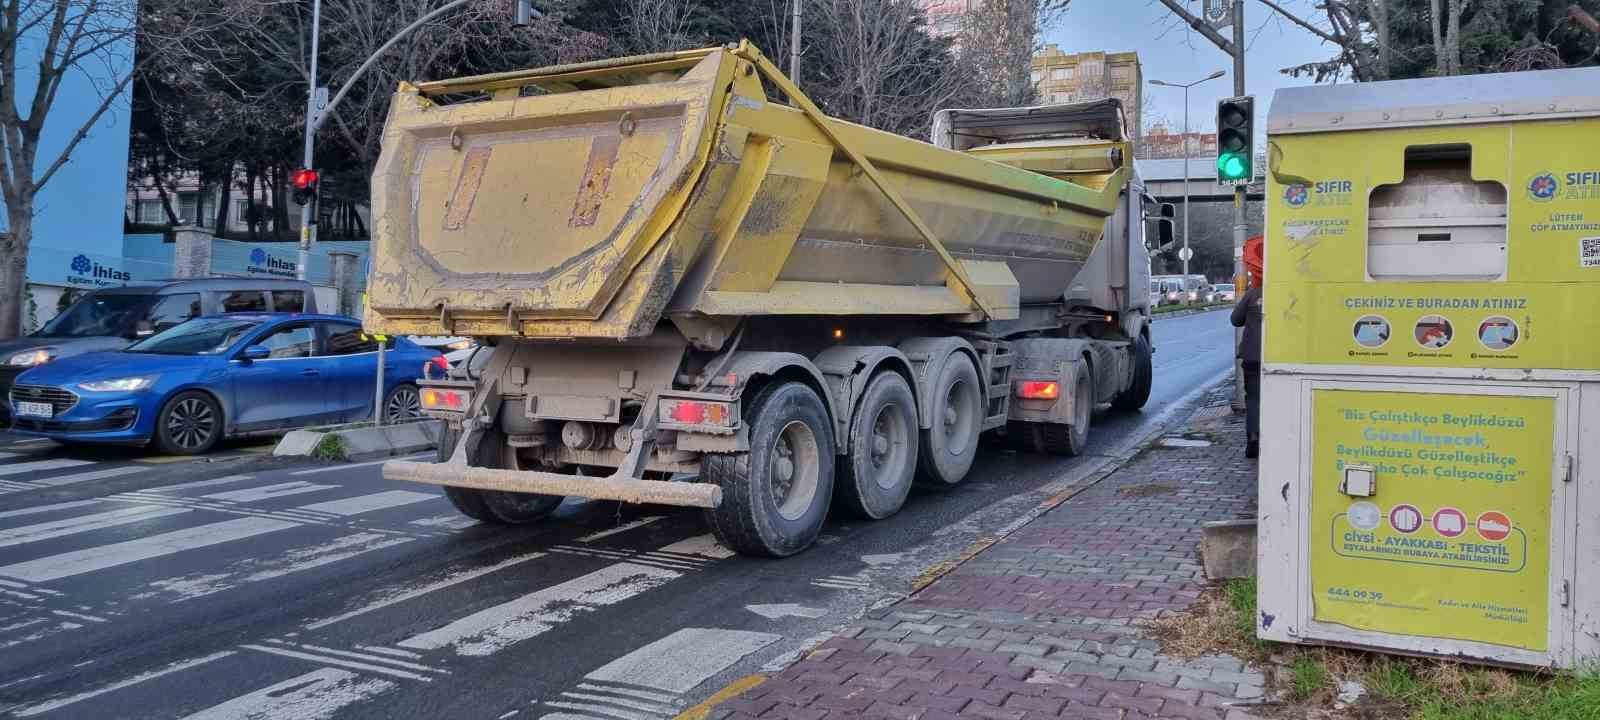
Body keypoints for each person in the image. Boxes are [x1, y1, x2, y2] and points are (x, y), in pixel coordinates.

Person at [1231, 236, 1264, 459]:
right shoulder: (1288, 291)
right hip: (1279, 355)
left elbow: (1235, 320)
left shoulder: (1253, 294)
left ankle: (1253, 437)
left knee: (1253, 398)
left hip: (1252, 355)